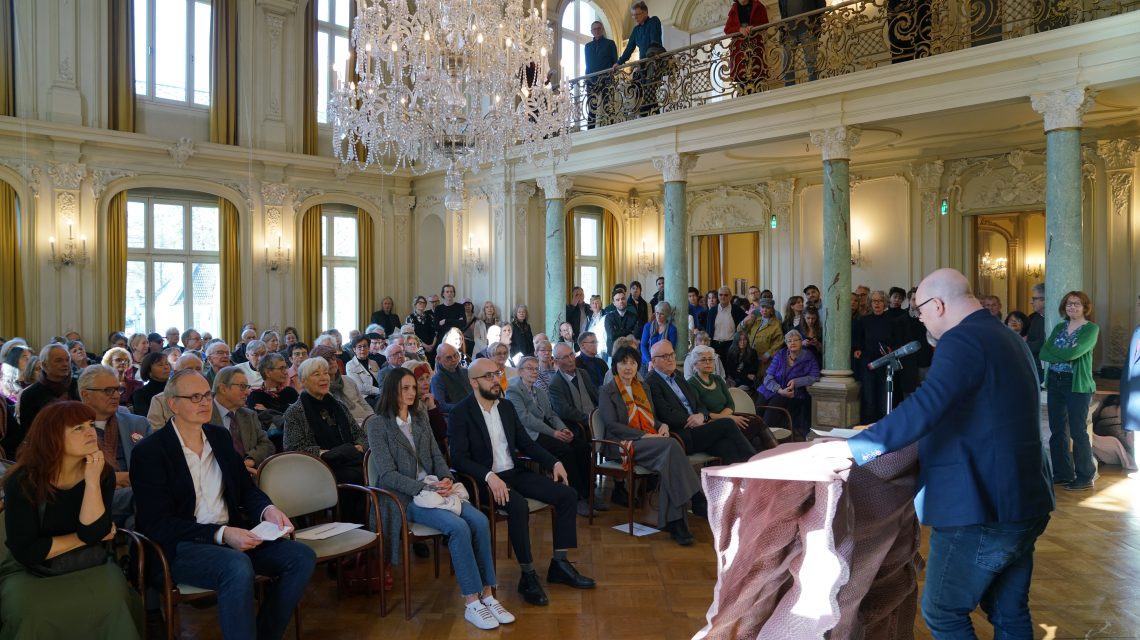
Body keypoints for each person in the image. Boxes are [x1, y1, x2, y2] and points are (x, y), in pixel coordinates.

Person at [809, 268, 1052, 638]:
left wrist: (854, 448)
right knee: (1009, 610)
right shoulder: (1005, 335)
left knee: (943, 612)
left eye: (919, 310)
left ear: (937, 305)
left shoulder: (963, 340)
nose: (918, 317)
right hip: (1025, 498)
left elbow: (926, 406)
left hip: (981, 504)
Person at [130, 370, 316, 640]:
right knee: (236, 566)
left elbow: (245, 489)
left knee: (301, 557)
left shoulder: (218, 437)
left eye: (207, 395)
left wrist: (268, 510)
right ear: (173, 404)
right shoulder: (149, 452)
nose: (205, 402)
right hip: (180, 547)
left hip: (232, 536)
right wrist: (221, 534)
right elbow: (157, 524)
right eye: (195, 397)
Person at [366, 369, 513, 630]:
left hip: (436, 490)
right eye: (406, 388)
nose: (413, 393)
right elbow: (387, 475)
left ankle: (489, 595)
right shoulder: (378, 424)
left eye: (414, 387)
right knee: (458, 527)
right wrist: (424, 487)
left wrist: (445, 479)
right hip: (405, 497)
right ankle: (471, 601)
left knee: (479, 520)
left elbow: (437, 456)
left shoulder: (420, 416)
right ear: (392, 391)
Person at [448, 357, 596, 606]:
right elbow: (459, 459)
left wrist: (553, 462)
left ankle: (559, 564)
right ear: (474, 383)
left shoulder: (506, 407)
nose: (496, 380)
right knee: (518, 506)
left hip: (513, 473)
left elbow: (526, 443)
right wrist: (488, 475)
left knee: (567, 494)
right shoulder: (460, 413)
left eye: (497, 374)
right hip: (484, 482)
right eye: (489, 376)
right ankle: (527, 575)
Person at [0, 401, 144, 638]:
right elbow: (28, 551)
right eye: (77, 428)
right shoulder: (23, 482)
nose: (90, 431)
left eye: (89, 424)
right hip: (29, 571)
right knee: (32, 611)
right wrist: (83, 537)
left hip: (90, 563)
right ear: (52, 436)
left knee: (112, 600)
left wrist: (91, 482)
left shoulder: (101, 472)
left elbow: (93, 532)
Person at [598, 346, 702, 544]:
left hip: (647, 441)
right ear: (615, 366)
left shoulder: (643, 387)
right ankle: (694, 499)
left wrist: (661, 425)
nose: (628, 367)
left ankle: (676, 522)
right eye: (623, 362)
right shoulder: (607, 390)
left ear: (638, 365)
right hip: (620, 444)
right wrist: (644, 435)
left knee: (669, 460)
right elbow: (612, 425)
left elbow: (651, 418)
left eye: (632, 362)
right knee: (671, 446)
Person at [645, 340, 757, 466]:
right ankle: (756, 464)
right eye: (665, 356)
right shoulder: (651, 381)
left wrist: (702, 416)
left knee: (728, 447)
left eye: (672, 354)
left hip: (700, 429)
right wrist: (691, 419)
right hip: (682, 434)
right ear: (654, 361)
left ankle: (736, 483)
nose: (670, 359)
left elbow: (698, 404)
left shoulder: (677, 375)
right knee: (728, 423)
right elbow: (665, 413)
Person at [506, 356, 593, 516]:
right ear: (520, 371)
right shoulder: (513, 390)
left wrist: (563, 429)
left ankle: (589, 493)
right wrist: (554, 433)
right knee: (565, 451)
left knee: (582, 446)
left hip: (546, 428)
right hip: (528, 434)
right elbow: (525, 418)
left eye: (536, 368)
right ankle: (576, 496)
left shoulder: (539, 390)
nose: (534, 372)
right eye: (529, 368)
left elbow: (551, 414)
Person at [1040, 290, 1100, 491]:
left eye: (1076, 304)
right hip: (1055, 382)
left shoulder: (1091, 329)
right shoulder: (1059, 327)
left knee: (1078, 431)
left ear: (1085, 307)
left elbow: (1075, 352)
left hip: (1077, 384)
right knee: (1057, 431)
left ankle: (1085, 476)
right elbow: (1043, 351)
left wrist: (1060, 354)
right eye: (1069, 304)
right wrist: (1063, 355)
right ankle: (1062, 473)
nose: (1072, 307)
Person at [77, 364, 152, 526]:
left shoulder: (138, 424)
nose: (116, 396)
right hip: (91, 497)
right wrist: (110, 480)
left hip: (134, 494)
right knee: (146, 495)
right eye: (108, 391)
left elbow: (156, 465)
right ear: (85, 394)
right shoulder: (71, 429)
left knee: (134, 520)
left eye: (118, 389)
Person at [282, 357, 367, 489]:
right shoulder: (295, 412)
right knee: (357, 476)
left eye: (326, 373)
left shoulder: (340, 406)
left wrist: (359, 446)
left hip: (350, 460)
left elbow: (360, 435)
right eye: (317, 374)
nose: (324, 378)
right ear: (303, 381)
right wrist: (329, 453)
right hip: (318, 468)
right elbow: (294, 449)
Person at [688, 344, 776, 451]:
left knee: (757, 425)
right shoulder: (691, 384)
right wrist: (728, 419)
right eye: (703, 360)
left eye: (710, 359)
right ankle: (774, 455)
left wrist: (728, 418)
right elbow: (702, 412)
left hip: (728, 419)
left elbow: (730, 404)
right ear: (695, 364)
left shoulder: (718, 379)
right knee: (755, 429)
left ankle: (772, 457)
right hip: (710, 424)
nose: (708, 362)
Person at [853, 290, 907, 423]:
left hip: (886, 364)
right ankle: (868, 430)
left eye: (880, 301)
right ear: (870, 304)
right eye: (873, 301)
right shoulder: (864, 321)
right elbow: (858, 342)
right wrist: (857, 350)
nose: (876, 304)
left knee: (885, 399)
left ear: (885, 303)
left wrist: (891, 349)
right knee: (869, 399)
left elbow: (898, 342)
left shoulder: (892, 321)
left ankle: (884, 430)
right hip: (868, 364)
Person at [756, 329, 821, 440]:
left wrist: (797, 381)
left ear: (801, 342)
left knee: (771, 412)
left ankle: (766, 440)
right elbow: (768, 377)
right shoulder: (780, 354)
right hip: (772, 389)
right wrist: (779, 389)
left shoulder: (808, 357)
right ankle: (754, 437)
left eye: (796, 340)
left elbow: (815, 376)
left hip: (792, 393)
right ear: (786, 344)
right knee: (758, 410)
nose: (792, 343)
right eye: (789, 341)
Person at [212, 366, 276, 472]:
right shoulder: (203, 415)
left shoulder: (249, 415)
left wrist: (250, 460)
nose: (248, 392)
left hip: (248, 476)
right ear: (223, 389)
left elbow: (267, 445)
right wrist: (234, 468)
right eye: (242, 387)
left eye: (247, 387)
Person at [19, 343, 81, 435]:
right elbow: (29, 430)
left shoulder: (79, 386)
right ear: (44, 365)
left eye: (67, 360)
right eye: (59, 361)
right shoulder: (30, 394)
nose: (65, 364)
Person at [308, 345, 374, 427]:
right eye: (327, 360)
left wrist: (372, 419)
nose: (332, 362)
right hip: (349, 428)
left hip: (366, 422)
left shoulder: (348, 380)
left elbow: (364, 404)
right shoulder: (320, 389)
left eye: (333, 358)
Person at [247, 352, 299, 452]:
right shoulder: (255, 396)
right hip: (268, 446)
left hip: (293, 444)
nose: (286, 372)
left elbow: (297, 420)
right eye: (281, 368)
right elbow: (261, 426)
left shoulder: (290, 392)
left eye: (286, 367)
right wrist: (283, 413)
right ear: (268, 372)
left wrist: (267, 411)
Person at [145, 352, 204, 430]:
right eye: (189, 369)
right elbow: (155, 434)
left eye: (198, 369)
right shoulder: (159, 400)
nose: (195, 373)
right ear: (176, 373)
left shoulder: (209, 398)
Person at [724, 0, 770, 94]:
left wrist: (753, 27)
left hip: (755, 46)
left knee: (757, 73)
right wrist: (739, 29)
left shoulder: (758, 5)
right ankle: (742, 96)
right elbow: (727, 29)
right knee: (741, 76)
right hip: (739, 49)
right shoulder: (734, 9)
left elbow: (765, 23)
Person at [583, 21, 618, 129]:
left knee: (608, 106)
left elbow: (615, 61)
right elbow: (587, 64)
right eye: (594, 29)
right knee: (591, 108)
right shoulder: (587, 46)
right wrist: (586, 77)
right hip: (591, 81)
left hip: (606, 79)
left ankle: (611, 129)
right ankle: (590, 131)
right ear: (591, 32)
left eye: (598, 28)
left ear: (602, 29)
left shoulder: (610, 43)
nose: (597, 31)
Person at [704, 286, 746, 362]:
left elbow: (745, 323)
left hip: (731, 344)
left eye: (726, 295)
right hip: (715, 344)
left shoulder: (736, 309)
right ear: (718, 296)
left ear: (730, 296)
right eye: (720, 295)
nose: (723, 297)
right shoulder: (712, 311)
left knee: (729, 369)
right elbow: (708, 329)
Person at [431, 343, 472, 414]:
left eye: (455, 355)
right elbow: (441, 406)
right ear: (439, 359)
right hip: (457, 414)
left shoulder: (465, 372)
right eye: (448, 357)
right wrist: (464, 406)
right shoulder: (437, 379)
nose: (454, 359)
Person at [345, 334, 382, 405]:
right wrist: (380, 391)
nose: (363, 349)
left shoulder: (374, 363)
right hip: (364, 397)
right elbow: (360, 388)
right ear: (354, 349)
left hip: (379, 394)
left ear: (368, 348)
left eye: (365, 346)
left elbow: (380, 380)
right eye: (359, 347)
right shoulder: (350, 365)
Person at [639, 301, 678, 368]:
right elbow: (643, 345)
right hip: (647, 362)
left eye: (662, 314)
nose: (658, 316)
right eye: (657, 313)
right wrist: (650, 361)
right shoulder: (648, 326)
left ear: (666, 315)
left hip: (663, 363)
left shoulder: (671, 329)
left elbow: (671, 349)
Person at [131, 351, 170, 416]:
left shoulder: (176, 388)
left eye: (167, 364)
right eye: (160, 365)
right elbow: (146, 419)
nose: (166, 367)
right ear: (149, 371)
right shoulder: (140, 394)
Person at [604, 290, 641, 356]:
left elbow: (636, 335)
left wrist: (618, 332)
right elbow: (612, 335)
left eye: (623, 299)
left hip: (630, 352)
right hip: (613, 353)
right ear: (614, 303)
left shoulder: (634, 317)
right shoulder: (609, 317)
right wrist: (629, 331)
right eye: (617, 300)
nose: (621, 301)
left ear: (626, 300)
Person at [407, 295, 439, 365]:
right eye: (420, 303)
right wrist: (425, 346)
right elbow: (412, 335)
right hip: (418, 348)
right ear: (415, 304)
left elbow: (436, 331)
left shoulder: (430, 316)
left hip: (432, 347)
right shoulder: (410, 317)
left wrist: (432, 345)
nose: (422, 304)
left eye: (424, 303)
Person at [1026, 283, 1046, 381]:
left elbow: (1044, 343)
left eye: (1034, 299)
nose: (1031, 302)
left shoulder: (1055, 319)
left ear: (1044, 300)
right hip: (1034, 366)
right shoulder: (1034, 317)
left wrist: (1022, 344)